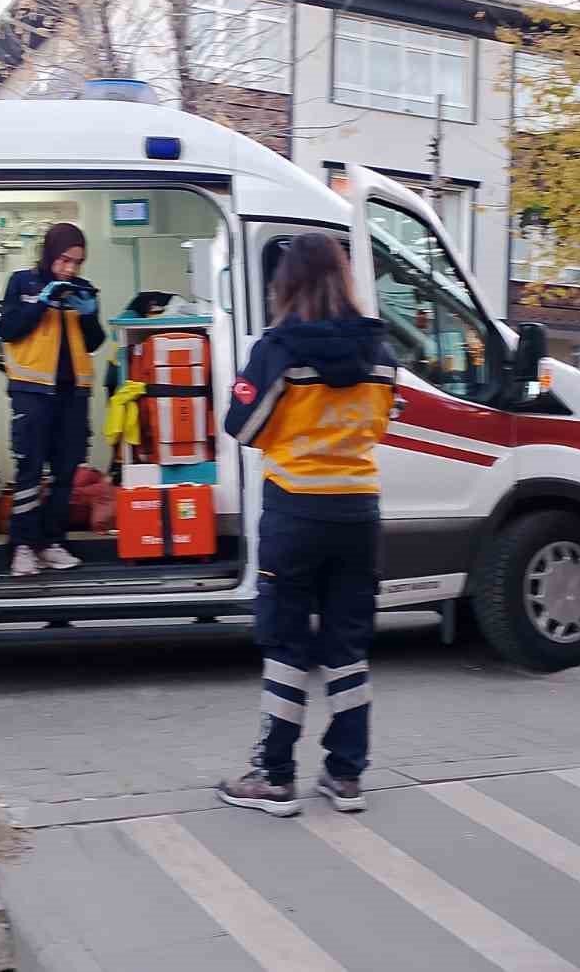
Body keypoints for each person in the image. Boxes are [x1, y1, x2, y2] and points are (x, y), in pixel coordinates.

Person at [215, 234, 397, 816]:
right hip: (358, 510)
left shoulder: (279, 348)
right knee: (348, 643)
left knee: (288, 641)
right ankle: (346, 776)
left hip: (296, 509)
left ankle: (273, 775)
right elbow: (379, 427)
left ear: (286, 283)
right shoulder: (380, 351)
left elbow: (242, 427)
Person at [0, 223, 104, 578]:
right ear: (49, 254)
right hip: (32, 393)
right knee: (29, 470)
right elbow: (7, 329)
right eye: (64, 260)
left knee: (65, 473)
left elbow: (93, 342)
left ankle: (52, 543)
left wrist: (88, 313)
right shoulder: (22, 283)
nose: (70, 269)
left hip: (72, 396)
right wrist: (41, 304)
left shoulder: (81, 288)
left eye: (78, 262)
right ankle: (23, 547)